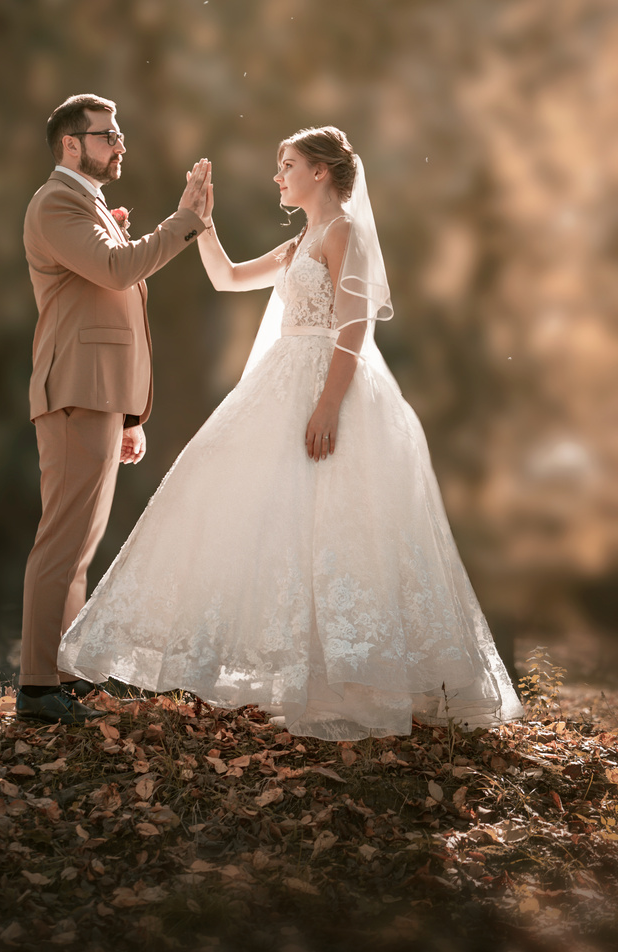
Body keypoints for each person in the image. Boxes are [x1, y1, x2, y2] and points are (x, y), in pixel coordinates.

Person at [58, 126, 523, 741]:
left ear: (321, 172)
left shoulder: (343, 232)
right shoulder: (302, 239)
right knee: (258, 502)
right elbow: (227, 278)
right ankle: (302, 675)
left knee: (340, 524)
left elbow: (355, 326)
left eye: (288, 164)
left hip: (330, 385)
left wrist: (329, 405)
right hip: (282, 382)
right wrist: (201, 223)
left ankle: (347, 682)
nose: (278, 176)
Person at [17, 92, 211, 724]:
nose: (119, 144)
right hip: (74, 390)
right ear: (71, 145)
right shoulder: (56, 202)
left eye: (119, 133)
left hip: (99, 394)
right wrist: (183, 221)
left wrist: (128, 414)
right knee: (62, 540)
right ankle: (37, 687)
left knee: (80, 544)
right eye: (107, 135)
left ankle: (61, 677)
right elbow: (114, 270)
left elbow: (109, 298)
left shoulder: (90, 203)